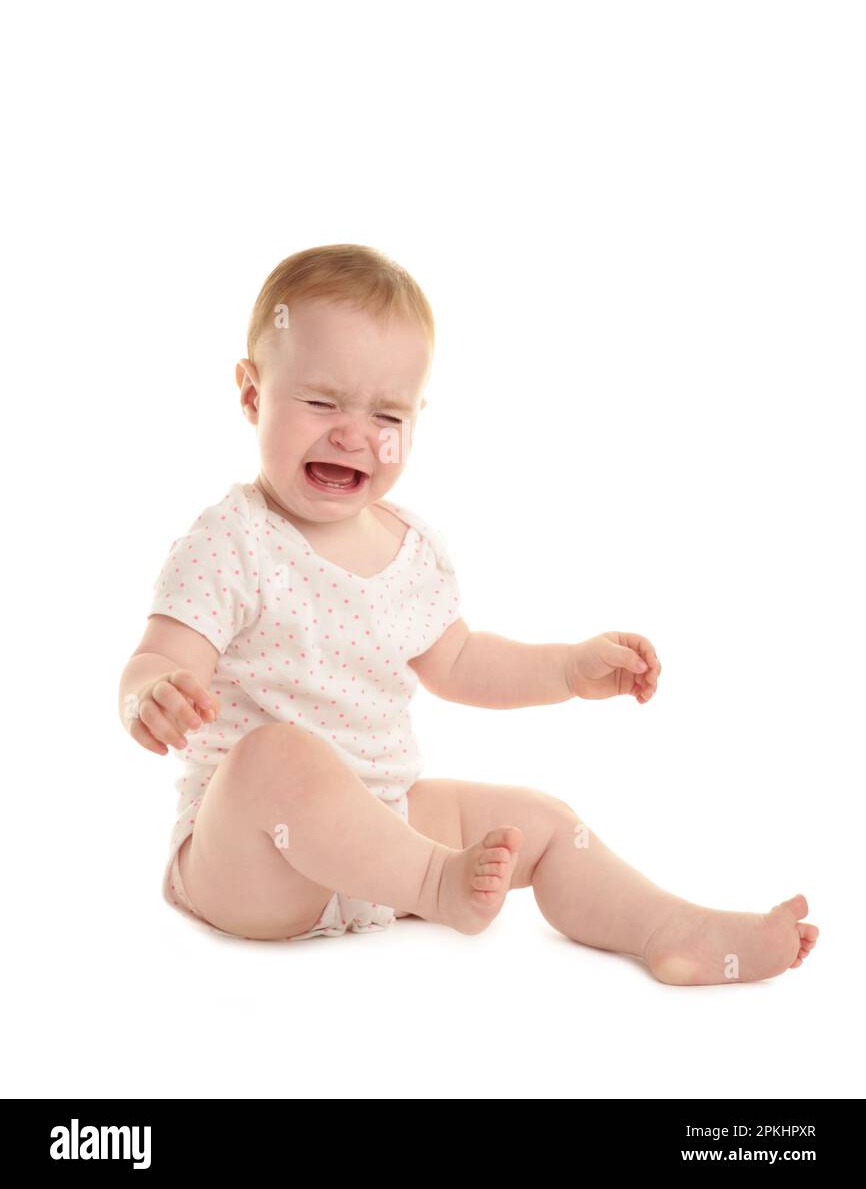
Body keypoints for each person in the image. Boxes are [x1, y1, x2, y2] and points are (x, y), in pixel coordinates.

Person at [118, 243, 818, 984]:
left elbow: (461, 662)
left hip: (386, 830)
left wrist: (569, 668)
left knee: (538, 819)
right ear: (253, 394)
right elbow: (159, 655)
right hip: (254, 862)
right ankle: (436, 887)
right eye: (321, 402)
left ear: (416, 419)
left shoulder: (410, 548)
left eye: (385, 413)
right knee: (277, 754)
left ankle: (673, 929)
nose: (353, 433)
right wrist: (150, 694)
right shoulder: (231, 541)